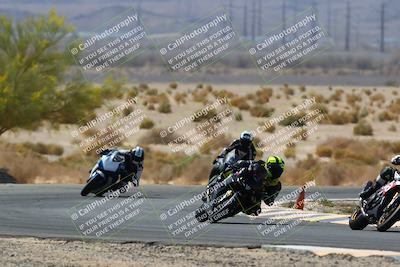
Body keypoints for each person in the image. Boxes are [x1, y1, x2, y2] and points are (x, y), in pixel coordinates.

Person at [210, 156, 285, 217]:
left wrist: (266, 196)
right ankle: (216, 186)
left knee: (256, 211)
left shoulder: (276, 184)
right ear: (268, 166)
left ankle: (230, 211)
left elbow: (270, 202)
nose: (276, 172)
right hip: (243, 181)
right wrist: (235, 166)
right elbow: (244, 162)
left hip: (253, 194)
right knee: (229, 172)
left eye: (279, 171)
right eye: (275, 169)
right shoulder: (259, 164)